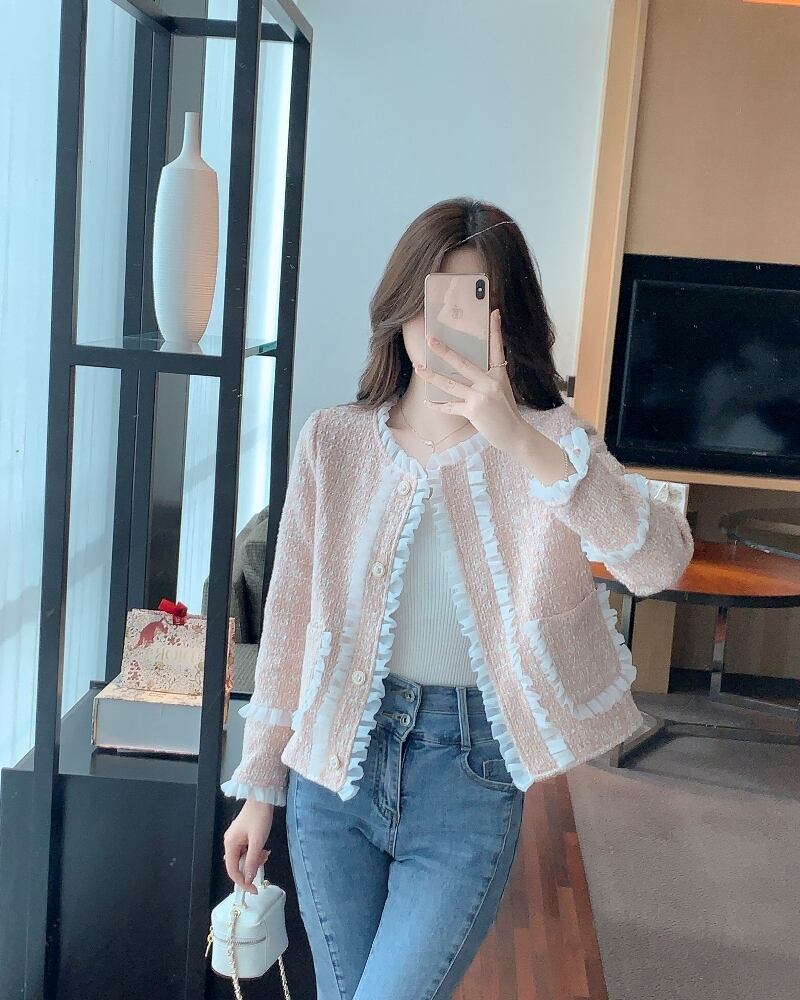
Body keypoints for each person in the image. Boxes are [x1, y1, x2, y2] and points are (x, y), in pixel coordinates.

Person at [220, 197, 695, 1000]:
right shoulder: (335, 440)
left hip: (468, 777)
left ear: (508, 325)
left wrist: (518, 438)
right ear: (399, 308)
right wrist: (260, 790)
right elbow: (292, 625)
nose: (442, 332)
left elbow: (659, 563)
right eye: (429, 302)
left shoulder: (550, 445)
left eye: (471, 307)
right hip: (334, 773)